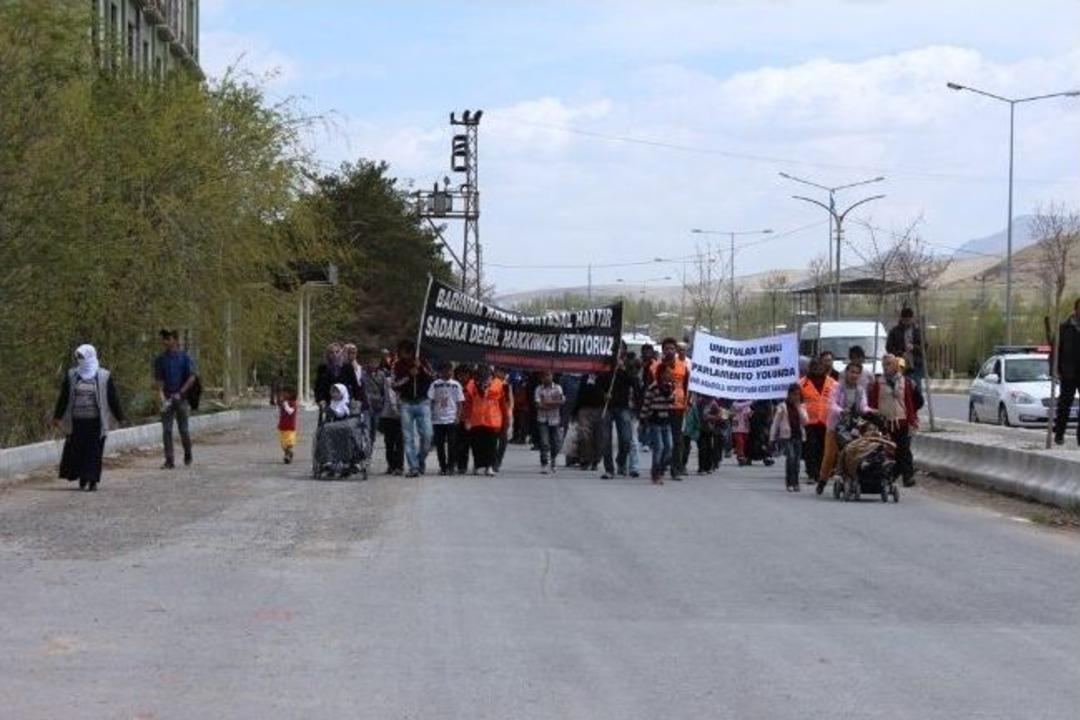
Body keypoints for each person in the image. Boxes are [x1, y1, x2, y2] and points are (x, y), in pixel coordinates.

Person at [53, 345, 124, 492]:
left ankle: (92, 480)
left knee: (94, 451)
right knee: (78, 450)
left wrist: (120, 416)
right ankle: (83, 477)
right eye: (78, 357)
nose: (80, 360)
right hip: (77, 421)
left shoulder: (103, 376)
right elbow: (64, 397)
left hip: (96, 422)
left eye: (82, 357)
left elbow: (112, 397)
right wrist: (57, 416)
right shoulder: (72, 375)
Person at [817, 362, 870, 494]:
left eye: (857, 373)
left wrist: (869, 411)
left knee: (853, 452)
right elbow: (831, 404)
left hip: (852, 426)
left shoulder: (860, 390)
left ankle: (851, 477)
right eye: (852, 372)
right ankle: (822, 480)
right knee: (830, 455)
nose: (854, 375)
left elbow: (863, 406)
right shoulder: (837, 387)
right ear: (846, 373)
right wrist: (841, 411)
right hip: (835, 426)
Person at [868, 354, 919, 487]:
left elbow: (909, 402)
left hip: (902, 421)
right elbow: (873, 402)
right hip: (885, 422)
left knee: (904, 450)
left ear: (896, 365)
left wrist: (912, 420)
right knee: (889, 451)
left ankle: (908, 477)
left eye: (889, 364)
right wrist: (873, 419)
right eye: (884, 365)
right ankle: (890, 475)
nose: (886, 367)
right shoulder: (878, 382)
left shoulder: (905, 382)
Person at [153, 329, 197, 469]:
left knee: (183, 429)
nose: (165, 342)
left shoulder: (184, 358)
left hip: (181, 398)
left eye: (168, 339)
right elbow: (159, 380)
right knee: (167, 430)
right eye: (164, 339)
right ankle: (169, 459)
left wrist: (181, 392)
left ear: (175, 340)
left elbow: (192, 377)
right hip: (167, 398)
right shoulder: (160, 360)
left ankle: (188, 453)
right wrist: (161, 396)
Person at [392, 339, 434, 477]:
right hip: (406, 403)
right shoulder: (397, 365)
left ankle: (420, 459)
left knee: (427, 436)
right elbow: (394, 384)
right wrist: (409, 376)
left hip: (423, 402)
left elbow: (433, 377)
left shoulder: (422, 361)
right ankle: (413, 467)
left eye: (406, 351)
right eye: (401, 351)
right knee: (408, 438)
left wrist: (421, 368)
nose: (403, 354)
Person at [604, 353, 643, 478]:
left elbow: (635, 384)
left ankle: (621, 461)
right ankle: (609, 470)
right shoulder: (605, 370)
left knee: (626, 439)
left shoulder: (626, 371)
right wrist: (603, 395)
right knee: (606, 440)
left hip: (623, 408)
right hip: (607, 408)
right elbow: (597, 385)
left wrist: (624, 370)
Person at [656, 337, 689, 479]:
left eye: (672, 348)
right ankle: (660, 466)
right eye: (667, 348)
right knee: (663, 440)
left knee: (677, 439)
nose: (669, 351)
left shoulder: (683, 366)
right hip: (663, 406)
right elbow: (656, 386)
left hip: (678, 407)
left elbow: (686, 386)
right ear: (663, 350)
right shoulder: (659, 367)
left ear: (676, 351)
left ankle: (675, 469)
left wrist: (687, 403)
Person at [799, 358, 837, 483]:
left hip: (827, 420)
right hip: (809, 421)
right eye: (814, 366)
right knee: (810, 448)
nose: (817, 368)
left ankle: (821, 473)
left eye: (819, 366)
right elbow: (797, 401)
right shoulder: (802, 383)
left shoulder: (832, 383)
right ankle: (811, 473)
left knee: (823, 448)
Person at [464, 367, 504, 476]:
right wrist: (467, 419)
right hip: (476, 420)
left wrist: (505, 419)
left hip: (492, 419)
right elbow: (468, 403)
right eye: (481, 376)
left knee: (491, 445)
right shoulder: (471, 384)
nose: (484, 378)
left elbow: (500, 400)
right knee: (476, 445)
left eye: (487, 376)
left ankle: (489, 466)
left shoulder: (497, 383)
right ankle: (477, 465)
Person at [641, 365, 678, 485]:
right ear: (661, 374)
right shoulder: (653, 387)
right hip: (655, 421)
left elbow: (672, 401)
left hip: (666, 420)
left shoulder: (670, 387)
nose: (669, 375)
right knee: (659, 447)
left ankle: (661, 469)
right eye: (667, 372)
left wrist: (671, 390)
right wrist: (643, 419)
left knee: (669, 447)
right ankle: (655, 473)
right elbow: (646, 403)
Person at [770, 383, 809, 492]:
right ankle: (789, 482)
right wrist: (772, 438)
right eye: (793, 394)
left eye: (798, 395)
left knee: (797, 460)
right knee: (791, 457)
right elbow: (775, 423)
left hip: (798, 436)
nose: (795, 397)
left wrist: (799, 408)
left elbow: (806, 421)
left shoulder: (802, 406)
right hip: (787, 437)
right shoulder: (782, 407)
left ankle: (795, 482)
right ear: (789, 394)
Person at [428, 362, 465, 475]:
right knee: (439, 445)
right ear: (440, 372)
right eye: (445, 370)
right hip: (437, 419)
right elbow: (430, 400)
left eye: (450, 370)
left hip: (451, 418)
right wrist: (429, 416)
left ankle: (451, 466)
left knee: (452, 444)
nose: (448, 372)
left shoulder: (456, 385)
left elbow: (460, 402)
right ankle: (442, 467)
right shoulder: (435, 384)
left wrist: (458, 417)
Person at [1054, 298, 1080, 446]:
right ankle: (1059, 434)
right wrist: (1056, 368)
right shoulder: (1064, 328)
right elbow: (1056, 349)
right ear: (1076, 310)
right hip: (1068, 371)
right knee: (1065, 404)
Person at [573, 372, 610, 472]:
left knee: (599, 437)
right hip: (585, 408)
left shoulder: (606, 376)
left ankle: (596, 460)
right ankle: (585, 459)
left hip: (601, 409)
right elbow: (580, 393)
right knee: (584, 434)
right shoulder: (584, 377)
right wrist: (575, 411)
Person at [534, 370, 566, 473]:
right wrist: (553, 403)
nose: (547, 378)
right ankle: (544, 463)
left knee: (556, 443)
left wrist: (547, 402)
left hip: (555, 419)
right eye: (544, 376)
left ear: (552, 376)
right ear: (541, 378)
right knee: (544, 442)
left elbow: (561, 402)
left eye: (548, 375)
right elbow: (538, 405)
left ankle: (553, 460)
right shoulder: (538, 389)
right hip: (542, 419)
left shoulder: (558, 388)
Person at [886, 308, 924, 385]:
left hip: (916, 364)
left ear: (912, 319)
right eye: (905, 320)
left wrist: (914, 347)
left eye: (909, 320)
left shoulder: (918, 331)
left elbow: (924, 347)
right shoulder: (894, 331)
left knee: (916, 387)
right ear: (901, 319)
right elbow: (889, 347)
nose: (907, 322)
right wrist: (900, 353)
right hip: (900, 363)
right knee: (901, 385)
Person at [379, 372, 404, 475]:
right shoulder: (388, 381)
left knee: (399, 443)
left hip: (400, 416)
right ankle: (391, 465)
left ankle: (399, 466)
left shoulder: (404, 380)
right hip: (388, 416)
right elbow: (390, 397)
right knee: (389, 443)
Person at [452, 364, 474, 473]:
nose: (462, 376)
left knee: (465, 444)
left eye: (465, 374)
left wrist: (470, 419)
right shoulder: (453, 385)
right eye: (460, 374)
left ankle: (462, 466)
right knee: (454, 442)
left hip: (468, 419)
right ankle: (453, 462)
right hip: (454, 417)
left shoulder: (472, 386)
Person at [492, 367, 514, 472]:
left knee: (503, 440)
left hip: (504, 415)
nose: (502, 374)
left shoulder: (506, 385)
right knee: (492, 440)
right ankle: (492, 460)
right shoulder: (491, 383)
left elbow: (510, 401)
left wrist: (509, 414)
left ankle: (498, 461)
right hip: (493, 415)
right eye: (500, 371)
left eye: (503, 372)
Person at [314, 342, 344, 409]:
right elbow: (318, 385)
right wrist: (320, 399)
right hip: (327, 400)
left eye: (337, 352)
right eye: (332, 352)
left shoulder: (346, 367)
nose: (334, 354)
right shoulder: (323, 368)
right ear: (328, 354)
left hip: (343, 401)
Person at [277, 387, 298, 464]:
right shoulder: (284, 402)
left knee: (289, 442)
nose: (283, 394)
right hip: (282, 426)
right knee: (283, 444)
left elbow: (290, 411)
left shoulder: (293, 403)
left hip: (290, 427)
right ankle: (288, 453)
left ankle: (288, 455)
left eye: (285, 393)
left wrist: (285, 405)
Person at [731, 400, 752, 465]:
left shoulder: (747, 405)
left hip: (745, 426)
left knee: (745, 442)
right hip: (737, 426)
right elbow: (739, 407)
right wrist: (751, 402)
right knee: (740, 442)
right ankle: (740, 456)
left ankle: (742, 455)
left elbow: (749, 414)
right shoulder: (734, 403)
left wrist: (750, 413)